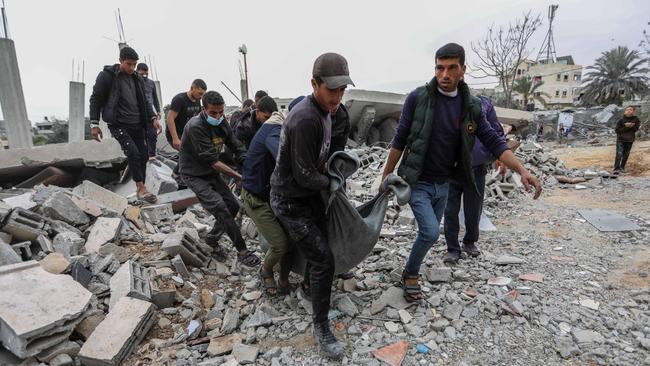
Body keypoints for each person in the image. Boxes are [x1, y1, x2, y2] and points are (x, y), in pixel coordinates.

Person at [380, 43, 542, 303]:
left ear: (463, 70)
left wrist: (521, 169)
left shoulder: (472, 106)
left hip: (444, 182)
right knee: (431, 232)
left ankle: (412, 271)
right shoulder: (417, 98)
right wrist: (385, 177)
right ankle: (410, 274)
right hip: (418, 181)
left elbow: (493, 141)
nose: (444, 75)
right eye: (439, 68)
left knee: (428, 235)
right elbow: (399, 140)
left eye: (451, 68)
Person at [270, 53, 354, 360]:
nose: (338, 96)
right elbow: (304, 174)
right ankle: (321, 326)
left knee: (321, 244)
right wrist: (331, 183)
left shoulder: (328, 111)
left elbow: (325, 157)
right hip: (290, 200)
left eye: (342, 90)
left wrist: (335, 174)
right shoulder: (305, 118)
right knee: (324, 259)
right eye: (332, 90)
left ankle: (309, 286)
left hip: (307, 195)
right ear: (314, 84)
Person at [179, 91, 260, 267]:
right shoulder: (195, 127)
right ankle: (243, 251)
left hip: (209, 172)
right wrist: (239, 177)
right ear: (203, 109)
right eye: (213, 113)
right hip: (194, 174)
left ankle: (211, 239)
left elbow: (236, 146)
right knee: (219, 207)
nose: (218, 116)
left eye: (220, 112)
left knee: (233, 206)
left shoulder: (222, 122)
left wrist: (249, 167)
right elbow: (213, 161)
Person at [89, 46, 157, 203]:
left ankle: (142, 188)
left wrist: (154, 118)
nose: (132, 68)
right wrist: (94, 124)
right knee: (132, 153)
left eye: (134, 64)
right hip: (119, 124)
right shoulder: (107, 76)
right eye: (129, 64)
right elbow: (96, 99)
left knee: (144, 155)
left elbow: (146, 101)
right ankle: (141, 188)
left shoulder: (137, 78)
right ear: (120, 61)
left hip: (137, 124)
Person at [443, 96, 506, 263]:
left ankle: (469, 242)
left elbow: (496, 131)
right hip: (450, 170)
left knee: (474, 209)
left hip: (476, 169)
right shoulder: (442, 102)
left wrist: (498, 156)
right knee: (450, 210)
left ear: (463, 71)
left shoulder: (483, 104)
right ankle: (452, 248)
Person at [240, 98, 291, 296]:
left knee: (291, 240)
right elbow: (283, 157)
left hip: (270, 194)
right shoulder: (274, 130)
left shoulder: (278, 127)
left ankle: (284, 278)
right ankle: (266, 270)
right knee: (280, 244)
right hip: (256, 199)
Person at [166, 79, 207, 151]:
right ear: (192, 88)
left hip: (188, 133)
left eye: (203, 94)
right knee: (188, 154)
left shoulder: (197, 100)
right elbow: (170, 118)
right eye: (200, 93)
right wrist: (175, 138)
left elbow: (199, 118)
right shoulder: (179, 99)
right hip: (177, 134)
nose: (201, 97)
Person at [136, 63, 162, 159]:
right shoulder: (135, 82)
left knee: (152, 134)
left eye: (146, 74)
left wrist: (158, 111)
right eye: (142, 74)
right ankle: (142, 155)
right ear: (137, 72)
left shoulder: (151, 83)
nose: (144, 76)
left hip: (150, 112)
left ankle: (152, 155)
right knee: (141, 136)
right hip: (138, 113)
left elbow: (155, 98)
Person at [613, 106, 640, 174]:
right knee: (619, 154)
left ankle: (622, 167)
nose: (628, 111)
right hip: (620, 140)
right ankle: (616, 169)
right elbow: (617, 131)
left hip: (630, 140)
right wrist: (626, 127)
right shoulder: (621, 120)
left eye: (630, 109)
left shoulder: (636, 119)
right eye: (627, 110)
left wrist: (632, 126)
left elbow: (636, 129)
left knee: (626, 154)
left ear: (633, 111)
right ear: (625, 112)